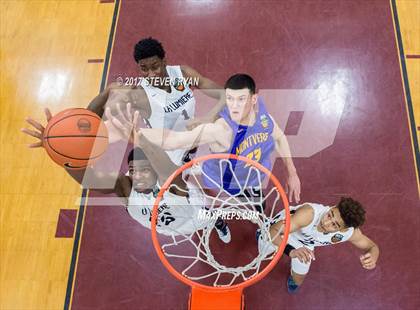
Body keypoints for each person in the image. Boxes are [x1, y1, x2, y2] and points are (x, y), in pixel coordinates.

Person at [21, 108, 215, 237]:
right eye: (133, 170)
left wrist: (139, 138)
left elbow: (164, 168)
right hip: (169, 230)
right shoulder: (125, 186)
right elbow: (90, 180)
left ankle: (218, 222)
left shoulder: (170, 182)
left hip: (195, 210)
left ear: (155, 172)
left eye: (145, 171)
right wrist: (65, 153)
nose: (137, 175)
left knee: (209, 218)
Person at [88, 37, 226, 165]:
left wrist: (210, 116)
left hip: (192, 143)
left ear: (164, 62)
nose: (151, 74)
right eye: (144, 69)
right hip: (168, 157)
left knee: (222, 128)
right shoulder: (138, 94)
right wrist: (107, 92)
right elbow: (90, 118)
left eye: (155, 66)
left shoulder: (183, 74)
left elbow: (225, 94)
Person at [258, 197, 380, 294]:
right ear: (333, 207)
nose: (325, 222)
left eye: (334, 225)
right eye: (330, 214)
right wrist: (291, 251)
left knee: (298, 279)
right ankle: (259, 234)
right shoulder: (308, 214)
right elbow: (273, 232)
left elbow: (372, 246)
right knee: (264, 247)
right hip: (283, 229)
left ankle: (294, 280)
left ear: (343, 229)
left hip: (306, 243)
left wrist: (373, 256)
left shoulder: (349, 233)